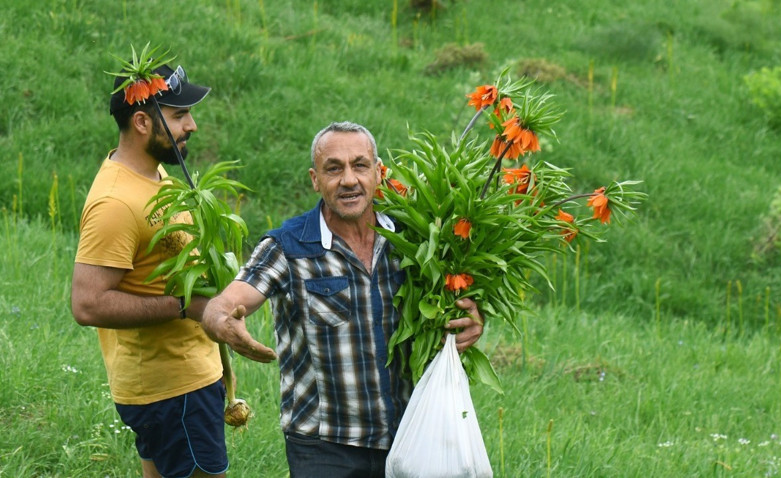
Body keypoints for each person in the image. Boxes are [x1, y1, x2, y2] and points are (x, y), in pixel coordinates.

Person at [200, 121, 484, 477]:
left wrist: (469, 322)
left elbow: (449, 310)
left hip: (411, 431)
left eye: (360, 165)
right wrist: (223, 322)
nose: (349, 180)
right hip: (324, 448)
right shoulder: (289, 247)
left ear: (379, 173)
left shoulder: (412, 241)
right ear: (315, 179)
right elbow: (224, 304)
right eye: (333, 169)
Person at [70, 58, 229, 478]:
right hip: (172, 390)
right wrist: (187, 307)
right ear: (142, 121)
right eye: (179, 116)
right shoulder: (116, 203)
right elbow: (87, 304)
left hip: (182, 381)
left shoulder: (156, 175)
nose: (191, 125)